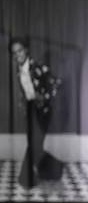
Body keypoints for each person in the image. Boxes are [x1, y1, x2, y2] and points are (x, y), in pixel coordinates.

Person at [10, 37, 63, 189]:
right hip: (31, 109)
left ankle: (26, 180)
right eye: (14, 53)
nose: (17, 55)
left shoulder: (38, 67)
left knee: (34, 144)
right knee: (35, 145)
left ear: (26, 50)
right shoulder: (18, 69)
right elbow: (26, 89)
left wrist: (43, 97)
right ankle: (56, 168)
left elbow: (56, 84)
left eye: (19, 51)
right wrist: (24, 101)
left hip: (43, 110)